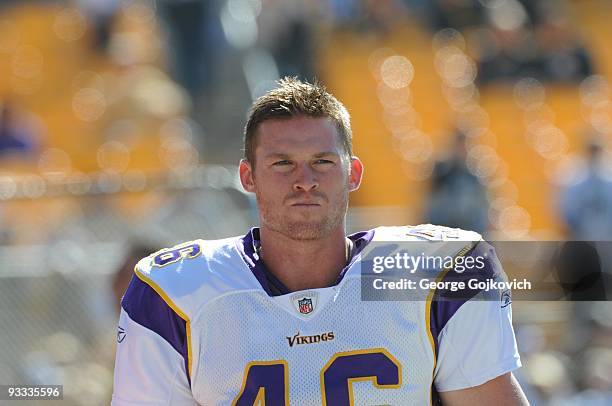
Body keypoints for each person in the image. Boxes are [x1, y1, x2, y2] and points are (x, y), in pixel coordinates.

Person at [112, 77, 529, 405]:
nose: (305, 181)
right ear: (248, 177)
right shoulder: (176, 291)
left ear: (353, 173)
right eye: (282, 164)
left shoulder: (424, 272)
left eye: (323, 162)